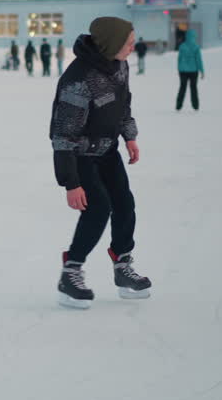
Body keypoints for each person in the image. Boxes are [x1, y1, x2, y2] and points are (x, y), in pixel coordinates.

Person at [49, 16, 152, 309]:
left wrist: (129, 136)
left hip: (107, 150)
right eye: (128, 42)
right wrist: (71, 183)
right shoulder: (78, 80)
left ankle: (122, 264)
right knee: (98, 208)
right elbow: (62, 135)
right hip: (79, 155)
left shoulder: (119, 66)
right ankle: (71, 272)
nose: (133, 46)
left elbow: (123, 105)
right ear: (111, 44)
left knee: (124, 203)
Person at [175, 30, 205, 111]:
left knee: (182, 87)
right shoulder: (196, 47)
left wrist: (179, 69)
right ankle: (195, 106)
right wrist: (202, 71)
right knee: (194, 88)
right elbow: (199, 60)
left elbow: (179, 59)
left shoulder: (182, 46)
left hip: (183, 71)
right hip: (193, 71)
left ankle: (178, 105)